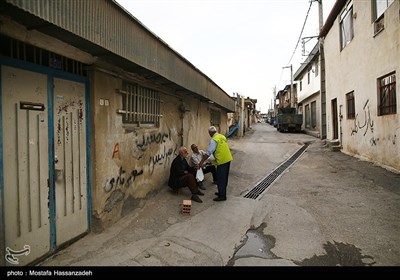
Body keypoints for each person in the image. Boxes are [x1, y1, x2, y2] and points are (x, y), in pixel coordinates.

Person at [198, 126, 233, 201]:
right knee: (224, 178)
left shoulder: (214, 140)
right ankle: (221, 192)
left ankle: (222, 196)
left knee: (220, 178)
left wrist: (201, 162)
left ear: (210, 133)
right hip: (228, 158)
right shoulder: (221, 136)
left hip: (222, 161)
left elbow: (208, 152)